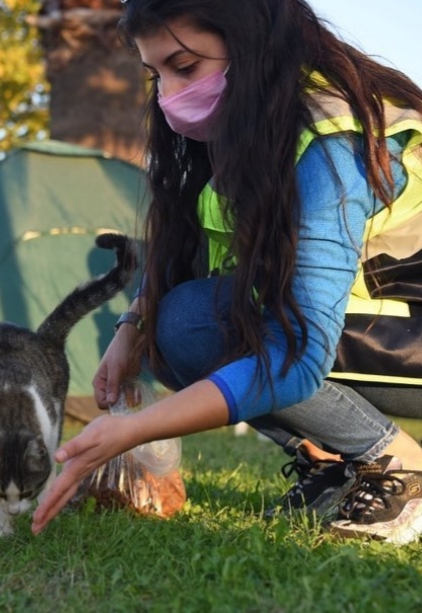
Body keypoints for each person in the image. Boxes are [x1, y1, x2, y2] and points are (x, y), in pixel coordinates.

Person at [31, 0, 422, 544]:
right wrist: (131, 327)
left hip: (409, 332)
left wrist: (134, 429)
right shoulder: (254, 127)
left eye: (185, 67)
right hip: (380, 327)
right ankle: (332, 460)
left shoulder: (333, 143)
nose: (168, 95)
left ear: (252, 43)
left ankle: (400, 463)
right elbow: (191, 249)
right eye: (156, 74)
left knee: (197, 324)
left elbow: (299, 354)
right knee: (174, 327)